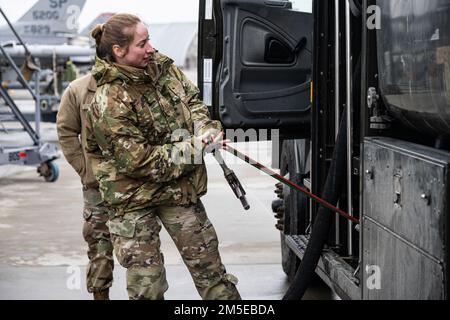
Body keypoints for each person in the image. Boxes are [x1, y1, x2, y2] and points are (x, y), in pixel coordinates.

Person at [85, 13, 241, 300]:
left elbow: (193, 102)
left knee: (214, 279)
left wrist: (205, 129)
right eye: (142, 44)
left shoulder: (163, 68)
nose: (151, 49)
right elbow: (139, 161)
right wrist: (196, 147)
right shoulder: (108, 100)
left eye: (149, 40)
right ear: (119, 51)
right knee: (148, 288)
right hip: (133, 200)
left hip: (178, 189)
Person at [56, 73, 114, 300]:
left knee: (142, 253)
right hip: (97, 185)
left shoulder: (139, 83)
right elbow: (66, 130)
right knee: (99, 247)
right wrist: (86, 171)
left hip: (136, 184)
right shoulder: (78, 89)